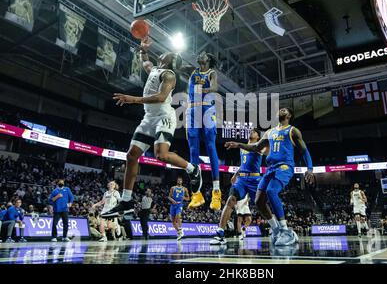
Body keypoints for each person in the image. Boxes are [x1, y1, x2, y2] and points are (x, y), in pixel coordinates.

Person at [101, 37, 201, 219]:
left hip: (164, 116)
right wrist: (142, 49)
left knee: (161, 155)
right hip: (149, 118)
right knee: (131, 155)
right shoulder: (155, 69)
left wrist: (134, 99)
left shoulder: (169, 74)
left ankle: (192, 169)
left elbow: (162, 97)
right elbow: (145, 61)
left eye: (167, 53)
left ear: (170, 60)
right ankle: (126, 201)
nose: (162, 52)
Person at [225, 108, 314, 246]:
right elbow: (255, 147)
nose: (281, 110)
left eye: (284, 110)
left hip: (284, 167)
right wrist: (238, 144)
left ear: (289, 115)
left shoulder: (293, 131)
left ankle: (286, 231)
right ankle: (276, 229)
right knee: (258, 200)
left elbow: (304, 151)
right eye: (280, 109)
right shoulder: (269, 132)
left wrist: (309, 169)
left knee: (271, 191)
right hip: (270, 168)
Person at [210, 128, 268, 245]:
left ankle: (278, 228)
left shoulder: (259, 146)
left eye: (255, 131)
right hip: (241, 179)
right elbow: (243, 164)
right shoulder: (243, 147)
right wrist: (235, 174)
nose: (252, 132)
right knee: (230, 200)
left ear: (258, 137)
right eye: (251, 131)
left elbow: (267, 151)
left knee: (262, 205)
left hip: (254, 179)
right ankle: (220, 232)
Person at [186, 52, 221, 210]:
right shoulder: (193, 71)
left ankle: (216, 191)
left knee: (210, 145)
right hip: (192, 109)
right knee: (193, 147)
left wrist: (203, 90)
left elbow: (214, 87)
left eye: (204, 54)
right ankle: (196, 194)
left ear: (208, 60)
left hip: (207, 108)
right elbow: (178, 65)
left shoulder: (211, 73)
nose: (200, 55)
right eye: (199, 53)